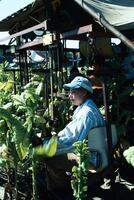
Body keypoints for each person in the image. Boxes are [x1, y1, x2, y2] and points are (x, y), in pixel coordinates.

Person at [34, 76, 105, 199]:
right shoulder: (88, 108)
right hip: (97, 153)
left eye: (73, 92)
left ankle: (62, 191)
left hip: (90, 158)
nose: (70, 95)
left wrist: (48, 146)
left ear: (83, 92)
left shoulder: (86, 113)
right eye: (70, 92)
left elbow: (72, 140)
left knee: (50, 158)